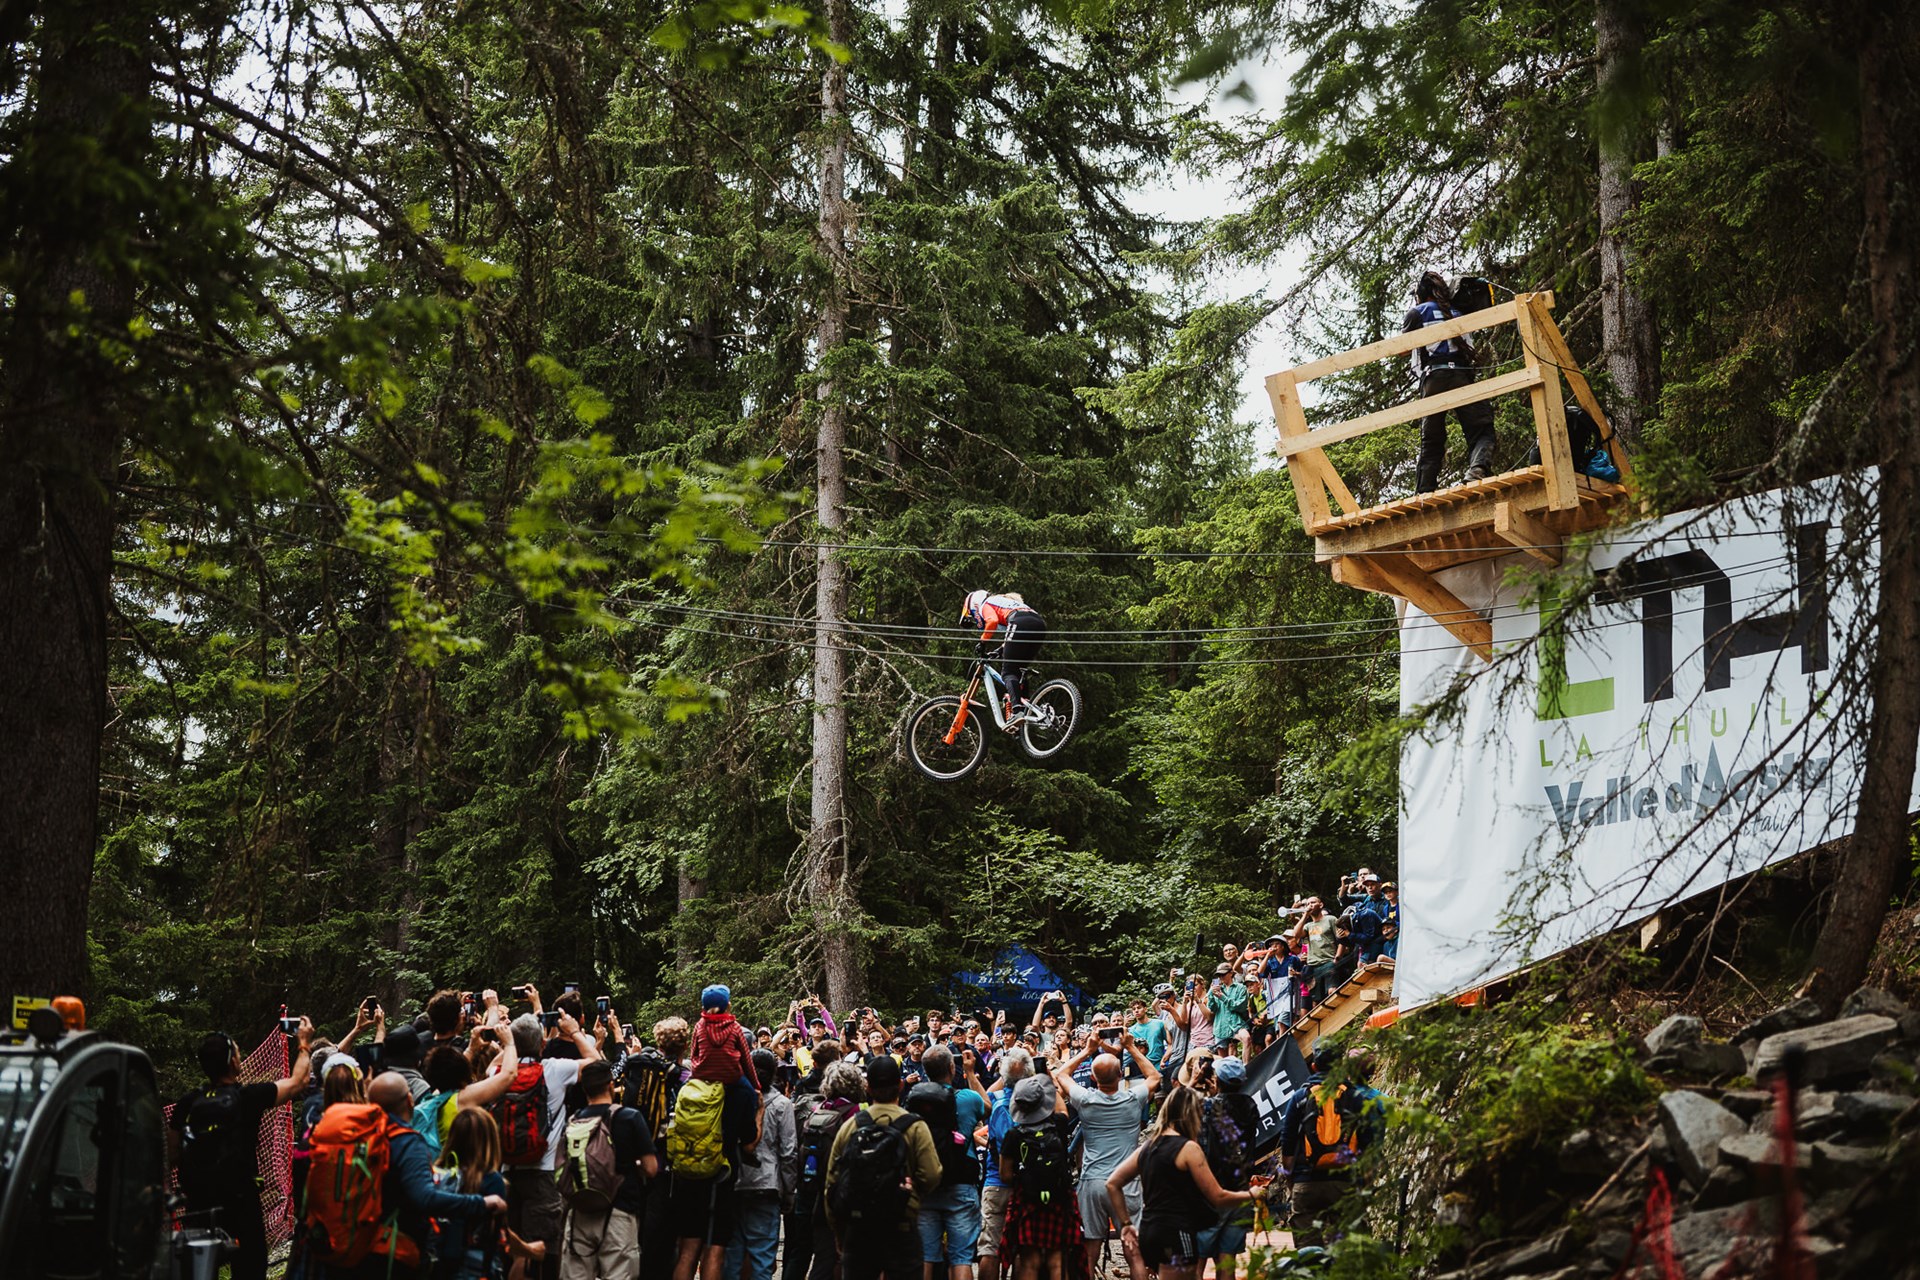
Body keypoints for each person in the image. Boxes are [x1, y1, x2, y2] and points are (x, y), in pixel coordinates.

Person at [316, 1071, 506, 1279]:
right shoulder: (407, 1143)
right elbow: (424, 1197)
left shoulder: (358, 1138)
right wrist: (481, 1203)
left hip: (348, 1243)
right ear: (409, 1100)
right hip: (391, 1253)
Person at [171, 1019, 314, 1280]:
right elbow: (298, 1082)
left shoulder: (186, 1104)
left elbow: (172, 1155)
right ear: (233, 1062)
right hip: (241, 1201)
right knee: (249, 1270)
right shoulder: (248, 1097)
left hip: (199, 1204)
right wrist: (304, 1044)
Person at [1102, 1087, 1265, 1280]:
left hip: (1150, 1229)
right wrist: (1251, 1194)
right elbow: (1217, 1197)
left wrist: (1126, 1224)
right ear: (1191, 1115)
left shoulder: (1148, 1146)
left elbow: (1112, 1183)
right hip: (1177, 1231)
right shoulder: (1188, 1149)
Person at [1051, 1032, 1160, 1277]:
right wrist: (1130, 1047)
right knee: (1134, 1251)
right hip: (1126, 1182)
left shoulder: (1085, 1099)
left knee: (1089, 1251)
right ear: (1121, 1075)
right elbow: (1155, 1076)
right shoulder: (1133, 1099)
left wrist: (1088, 1050)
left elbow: (1061, 1074)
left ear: (1092, 1078)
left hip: (1093, 1181)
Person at [824, 1053, 942, 1280]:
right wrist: (912, 1194)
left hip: (859, 1227)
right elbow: (932, 1175)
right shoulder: (915, 1127)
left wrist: (839, 1230)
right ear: (900, 1085)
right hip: (901, 1225)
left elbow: (832, 1183)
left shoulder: (851, 1126)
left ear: (867, 1088)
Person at [506, 1010, 600, 1280]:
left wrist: (508, 1044)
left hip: (507, 1170)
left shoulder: (499, 1071)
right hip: (543, 1170)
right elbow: (597, 1065)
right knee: (544, 1249)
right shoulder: (554, 1070)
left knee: (513, 1248)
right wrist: (574, 1032)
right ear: (543, 1044)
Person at [560, 1059, 660, 1280]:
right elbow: (651, 1168)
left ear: (585, 1089)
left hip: (580, 1210)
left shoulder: (574, 1120)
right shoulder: (629, 1117)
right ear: (610, 1085)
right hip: (619, 1212)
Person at [1278, 1047, 1386, 1248]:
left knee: (1308, 1251)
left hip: (1306, 1182)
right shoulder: (1356, 1098)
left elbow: (1288, 1144)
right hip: (1345, 1183)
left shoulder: (1300, 1097)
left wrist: (1293, 1182)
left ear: (1313, 1066)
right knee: (1346, 1250)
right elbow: (1368, 1144)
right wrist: (1365, 1184)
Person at [1404, 271, 1495, 492]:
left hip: (1433, 377)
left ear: (1421, 294)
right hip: (1461, 375)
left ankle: (1424, 491)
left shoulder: (1417, 312)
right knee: (1481, 429)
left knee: (1431, 440)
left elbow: (1401, 349)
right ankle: (1477, 470)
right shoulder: (1458, 312)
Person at [908, 1044, 988, 1280]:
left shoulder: (915, 1100)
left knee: (925, 1256)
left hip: (927, 1182)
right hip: (961, 1181)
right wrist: (970, 1073)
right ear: (953, 1068)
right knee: (961, 1258)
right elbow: (988, 1108)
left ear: (925, 1071)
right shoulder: (967, 1098)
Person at [435, 1106, 537, 1280]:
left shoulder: (439, 1174)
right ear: (490, 1140)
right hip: (476, 1266)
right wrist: (529, 1250)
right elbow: (498, 1231)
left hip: (438, 1264)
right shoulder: (491, 1180)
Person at [786, 1059, 866, 1280]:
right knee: (832, 1256)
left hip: (807, 1189)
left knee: (801, 1252)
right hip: (835, 1194)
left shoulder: (815, 1110)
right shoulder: (855, 1114)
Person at [998, 1075, 1078, 1280]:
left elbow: (1004, 1174)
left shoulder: (1014, 1135)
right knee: (1057, 1259)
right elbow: (1062, 1109)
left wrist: (1025, 1179)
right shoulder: (1058, 1124)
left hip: (1028, 1201)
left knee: (1029, 1260)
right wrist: (1050, 1082)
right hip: (1059, 1199)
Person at [727, 1049, 796, 1280]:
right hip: (767, 1184)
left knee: (733, 1257)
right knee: (763, 1259)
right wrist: (788, 1192)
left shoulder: (733, 1099)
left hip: (735, 1183)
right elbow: (788, 1153)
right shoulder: (782, 1105)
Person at [1193, 1059, 1261, 1279]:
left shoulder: (1208, 1107)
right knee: (1227, 1261)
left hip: (1209, 1190)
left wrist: (1197, 1084)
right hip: (1239, 1190)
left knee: (1197, 1261)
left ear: (1217, 1080)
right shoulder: (1250, 1106)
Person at [978, 1047, 1033, 1280]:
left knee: (990, 1247)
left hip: (996, 1181)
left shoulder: (996, 1101)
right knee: (1021, 1246)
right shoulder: (1037, 1102)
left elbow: (986, 1095)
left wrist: (1006, 1073)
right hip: (1026, 1182)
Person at [691, 984, 762, 1155]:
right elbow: (746, 1059)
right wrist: (756, 1086)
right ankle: (747, 1138)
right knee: (751, 1096)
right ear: (728, 1005)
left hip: (704, 1077)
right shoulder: (735, 1027)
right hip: (732, 1077)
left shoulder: (699, 1026)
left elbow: (694, 1054)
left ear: (703, 1007)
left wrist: (698, 1072)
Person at [960, 589, 1046, 723]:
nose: (974, 621)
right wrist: (999, 651)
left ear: (973, 605)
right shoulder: (1004, 603)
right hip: (1039, 623)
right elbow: (1012, 637)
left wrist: (982, 642)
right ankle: (1025, 708)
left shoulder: (985, 604)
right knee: (1019, 669)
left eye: (971, 616)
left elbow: (992, 621)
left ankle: (1017, 711)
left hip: (1019, 622)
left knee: (1008, 672)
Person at [1205, 965, 1249, 1055]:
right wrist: (1211, 993)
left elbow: (1240, 1007)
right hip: (1221, 1027)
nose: (1221, 977)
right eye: (1219, 975)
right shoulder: (1217, 989)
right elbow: (1212, 1009)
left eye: (1223, 974)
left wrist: (1223, 997)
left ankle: (1246, 1063)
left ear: (1231, 973)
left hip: (1236, 1024)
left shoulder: (1241, 988)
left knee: (1246, 1038)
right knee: (1222, 1058)